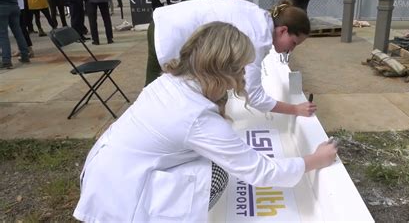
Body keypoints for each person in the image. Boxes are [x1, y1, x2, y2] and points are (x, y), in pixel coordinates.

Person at [73, 21, 338, 221]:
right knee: (218, 172)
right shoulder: (197, 118)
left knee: (211, 161)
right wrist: (314, 160)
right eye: (241, 68)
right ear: (225, 69)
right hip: (120, 197)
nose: (244, 75)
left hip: (105, 171)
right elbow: (260, 171)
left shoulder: (170, 81)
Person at [147, 0, 316, 117]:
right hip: (167, 34)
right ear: (283, 31)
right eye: (293, 43)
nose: (290, 50)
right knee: (155, 100)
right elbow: (254, 96)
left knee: (214, 94)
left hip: (168, 21)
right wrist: (295, 109)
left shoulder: (258, 16)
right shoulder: (257, 37)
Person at [0, 0, 30, 69]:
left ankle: (6, 60)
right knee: (18, 31)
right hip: (13, 4)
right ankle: (25, 55)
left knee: (2, 34)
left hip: (2, 6)